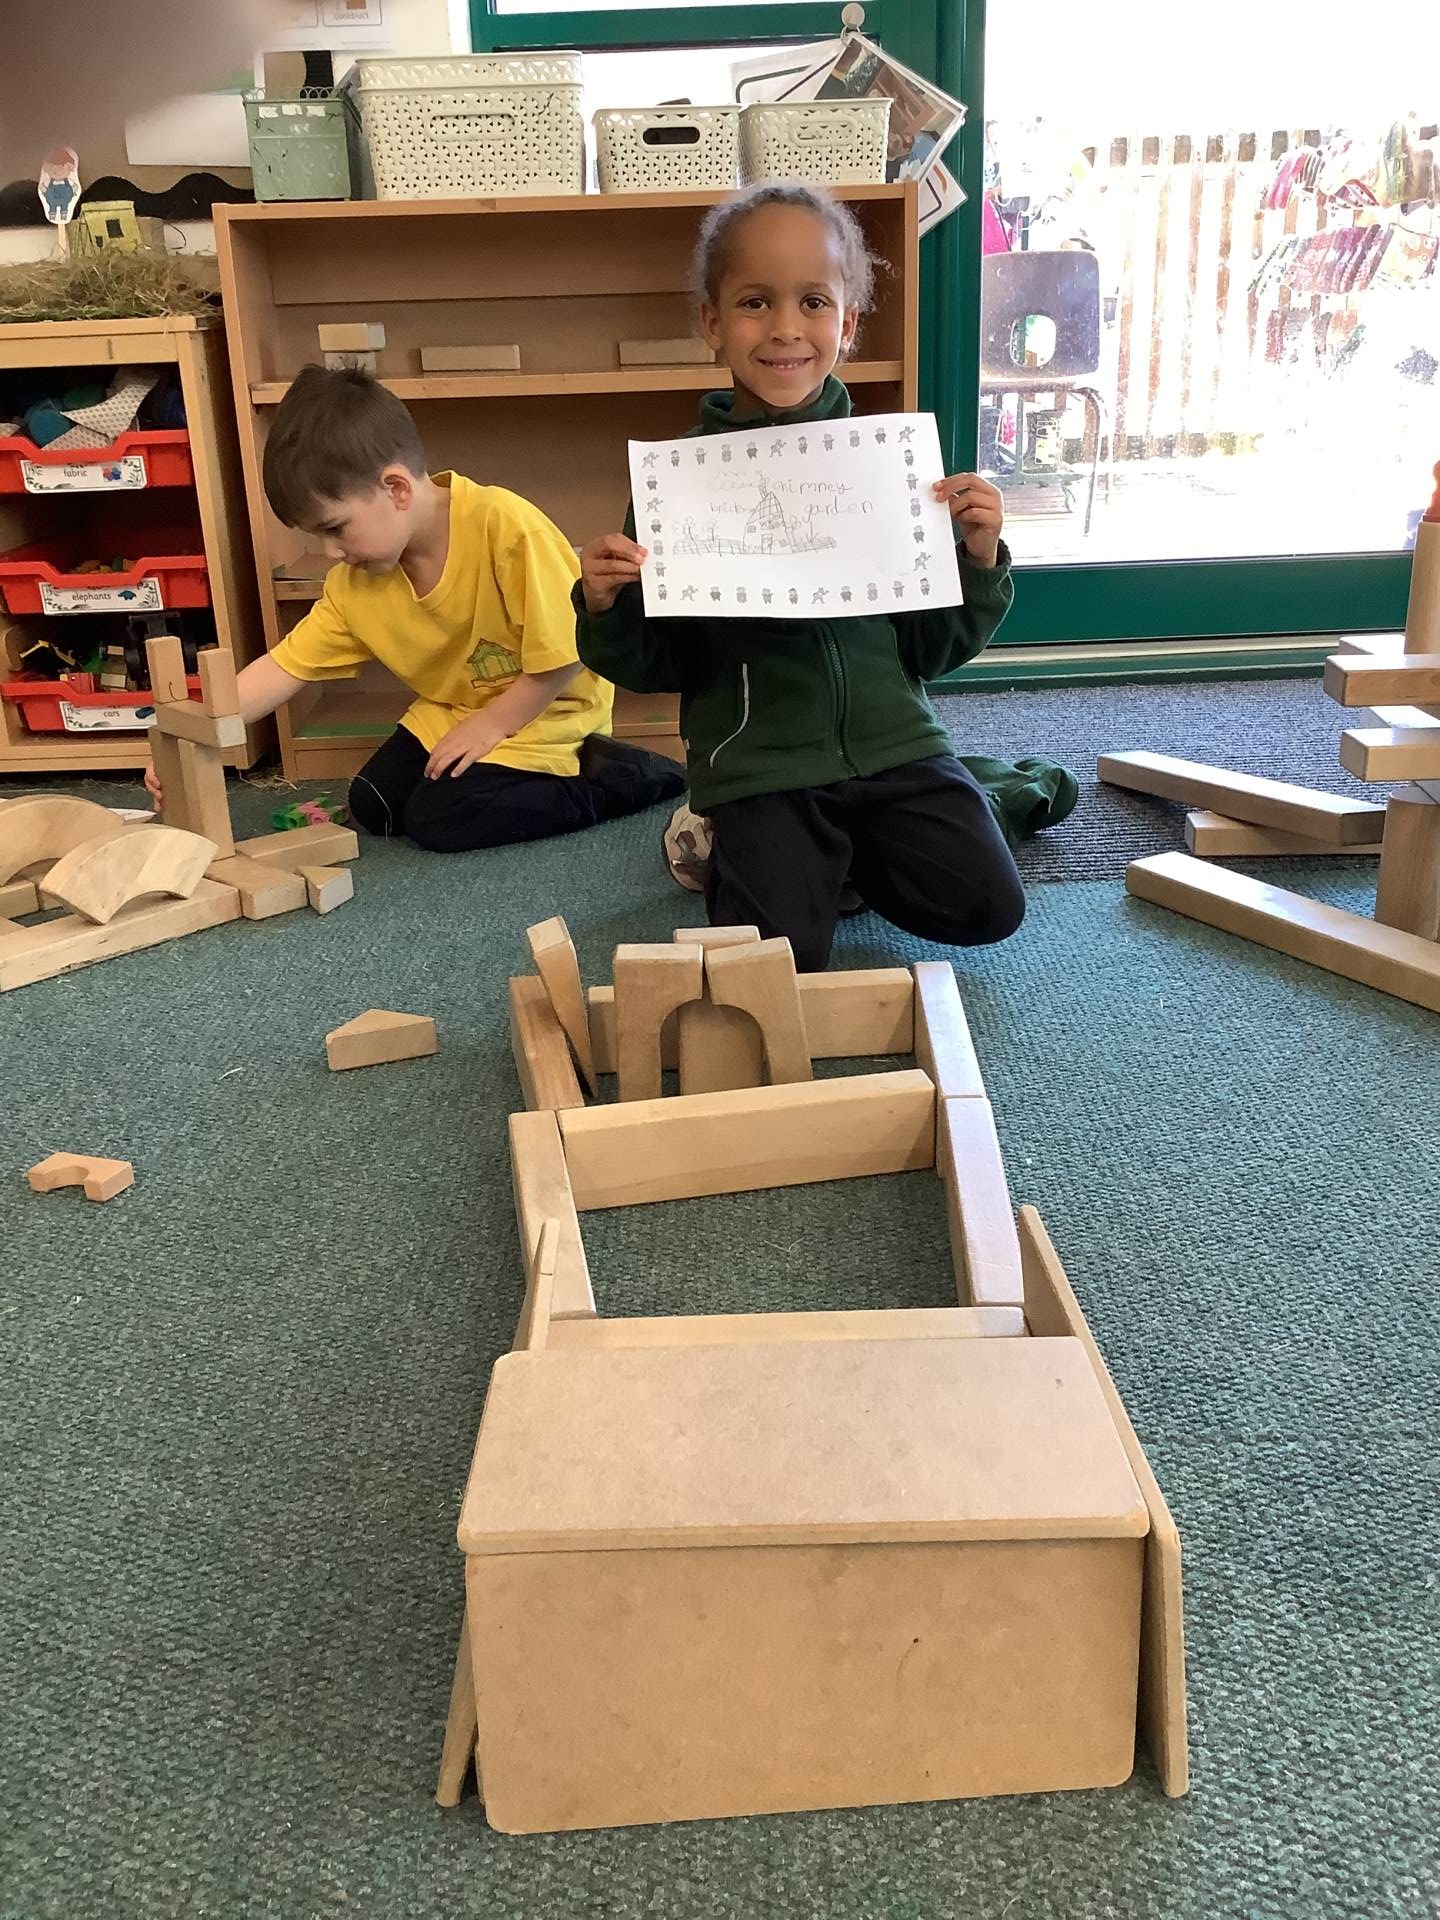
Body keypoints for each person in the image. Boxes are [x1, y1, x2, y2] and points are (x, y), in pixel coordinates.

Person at [575, 181, 1074, 972]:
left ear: (847, 322)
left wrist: (977, 562)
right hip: (760, 764)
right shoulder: (678, 485)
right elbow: (659, 664)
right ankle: (730, 838)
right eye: (754, 302)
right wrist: (605, 606)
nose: (784, 328)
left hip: (896, 746)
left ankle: (930, 815)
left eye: (813, 302)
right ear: (712, 321)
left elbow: (931, 650)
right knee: (780, 958)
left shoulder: (890, 470)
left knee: (988, 906)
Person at [145, 366, 682, 849]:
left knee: (441, 818)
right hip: (456, 712)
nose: (330, 552)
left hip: (547, 711)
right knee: (373, 805)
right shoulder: (355, 583)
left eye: (335, 529)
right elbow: (283, 668)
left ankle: (612, 780)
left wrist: (492, 725)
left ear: (396, 488)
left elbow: (565, 656)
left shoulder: (507, 528)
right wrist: (189, 736)